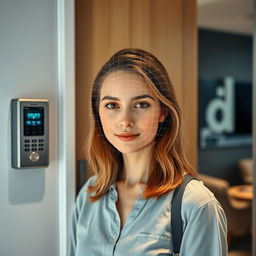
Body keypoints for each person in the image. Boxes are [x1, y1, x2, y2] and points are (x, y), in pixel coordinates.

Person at [69, 48, 228, 256]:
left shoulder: (196, 205)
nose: (125, 120)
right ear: (98, 113)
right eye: (112, 105)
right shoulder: (89, 194)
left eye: (141, 104)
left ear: (162, 112)